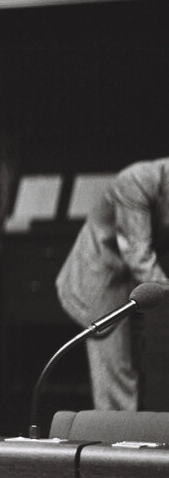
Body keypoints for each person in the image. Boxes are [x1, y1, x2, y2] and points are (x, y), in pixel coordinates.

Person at [56, 158, 169, 410]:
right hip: (101, 278)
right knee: (117, 374)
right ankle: (114, 445)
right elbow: (137, 254)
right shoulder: (136, 180)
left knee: (136, 367)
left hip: (136, 283)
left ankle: (135, 438)